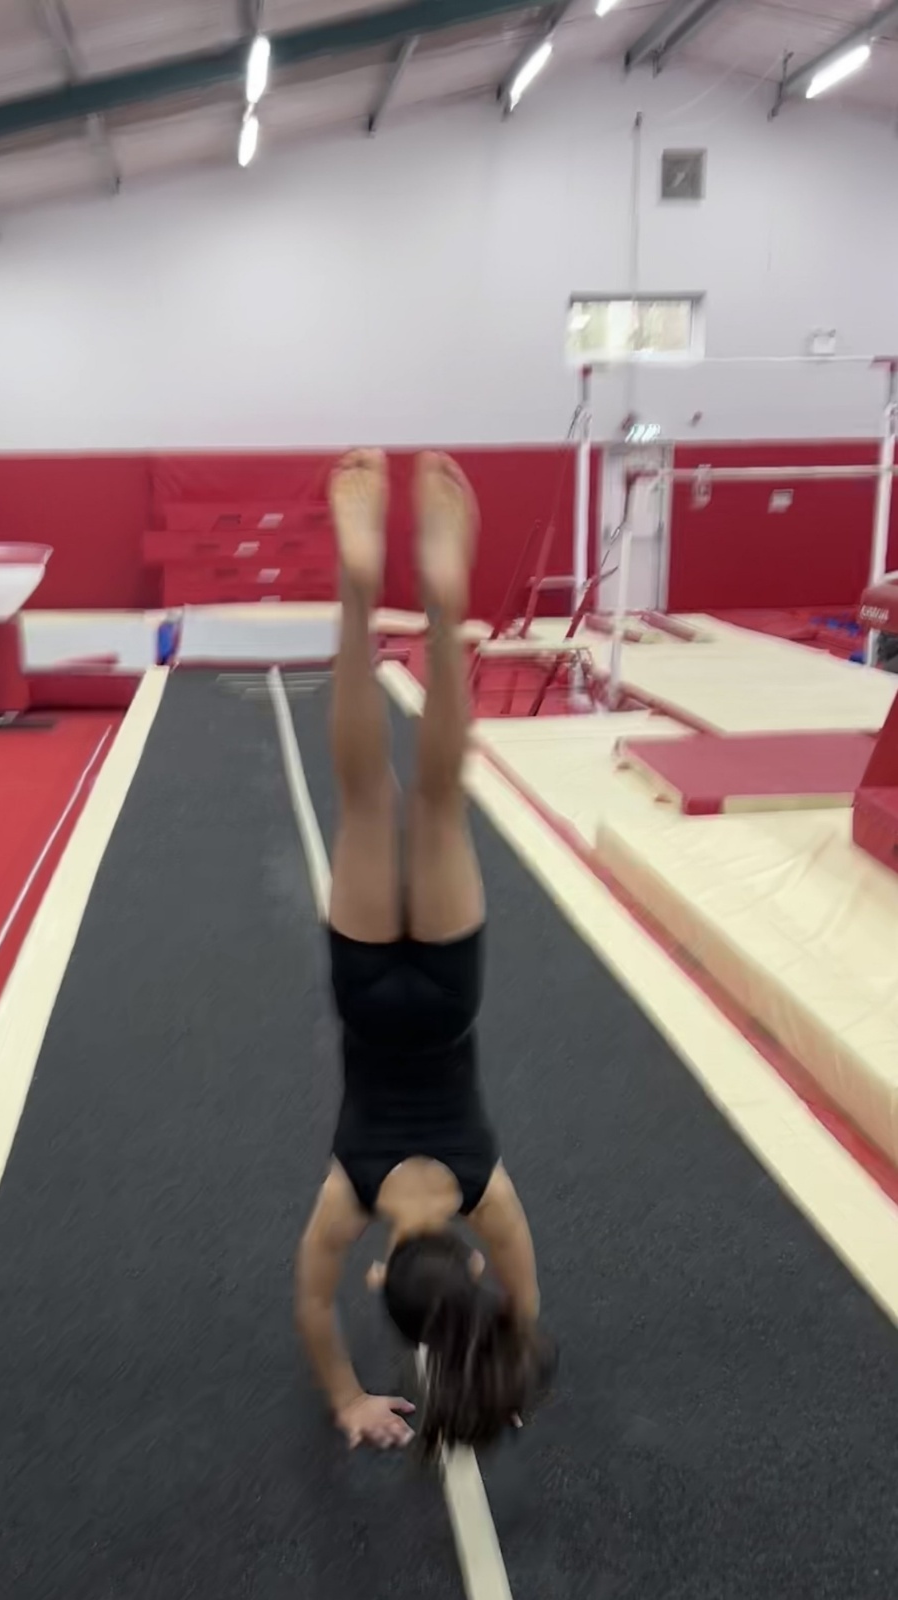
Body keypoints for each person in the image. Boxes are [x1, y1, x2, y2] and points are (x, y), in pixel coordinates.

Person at [295, 448, 551, 1455]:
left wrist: (503, 1368)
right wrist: (346, 1397)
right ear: (379, 1269)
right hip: (366, 987)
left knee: (440, 798)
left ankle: (444, 612)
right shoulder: (347, 1195)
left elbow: (522, 1301)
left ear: (468, 1264)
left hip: (447, 989)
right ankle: (357, 597)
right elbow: (312, 1307)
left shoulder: (489, 1192)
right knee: (368, 797)